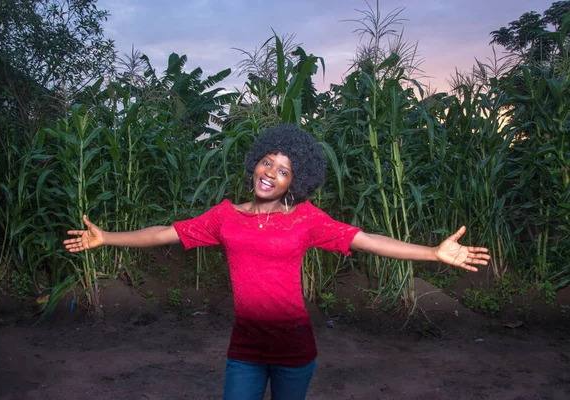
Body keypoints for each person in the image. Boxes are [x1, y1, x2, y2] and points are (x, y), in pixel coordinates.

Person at [64, 124, 490, 400]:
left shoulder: (306, 219)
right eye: (267, 162)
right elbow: (164, 233)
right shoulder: (226, 216)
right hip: (245, 348)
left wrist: (432, 252)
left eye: (284, 170)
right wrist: (107, 238)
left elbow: (368, 241)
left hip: (293, 347)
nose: (271, 172)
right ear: (256, 164)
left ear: (295, 180)